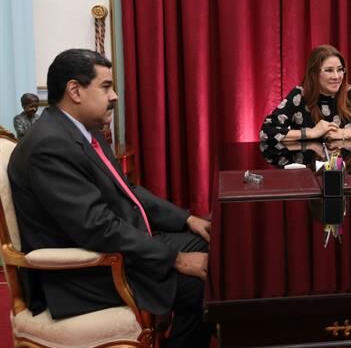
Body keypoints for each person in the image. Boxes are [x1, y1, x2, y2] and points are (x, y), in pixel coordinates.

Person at [7, 49, 212, 348]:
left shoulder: (80, 131)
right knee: (202, 284)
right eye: (105, 87)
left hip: (114, 248)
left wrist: (187, 219)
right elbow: (96, 226)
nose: (114, 96)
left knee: (209, 245)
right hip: (83, 274)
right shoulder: (49, 145)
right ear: (75, 90)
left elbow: (128, 191)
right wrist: (176, 258)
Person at [260, 44, 351, 143]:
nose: (337, 76)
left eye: (340, 70)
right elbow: (267, 132)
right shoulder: (299, 95)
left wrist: (343, 133)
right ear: (314, 73)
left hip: (345, 168)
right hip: (309, 170)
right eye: (329, 70)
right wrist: (310, 133)